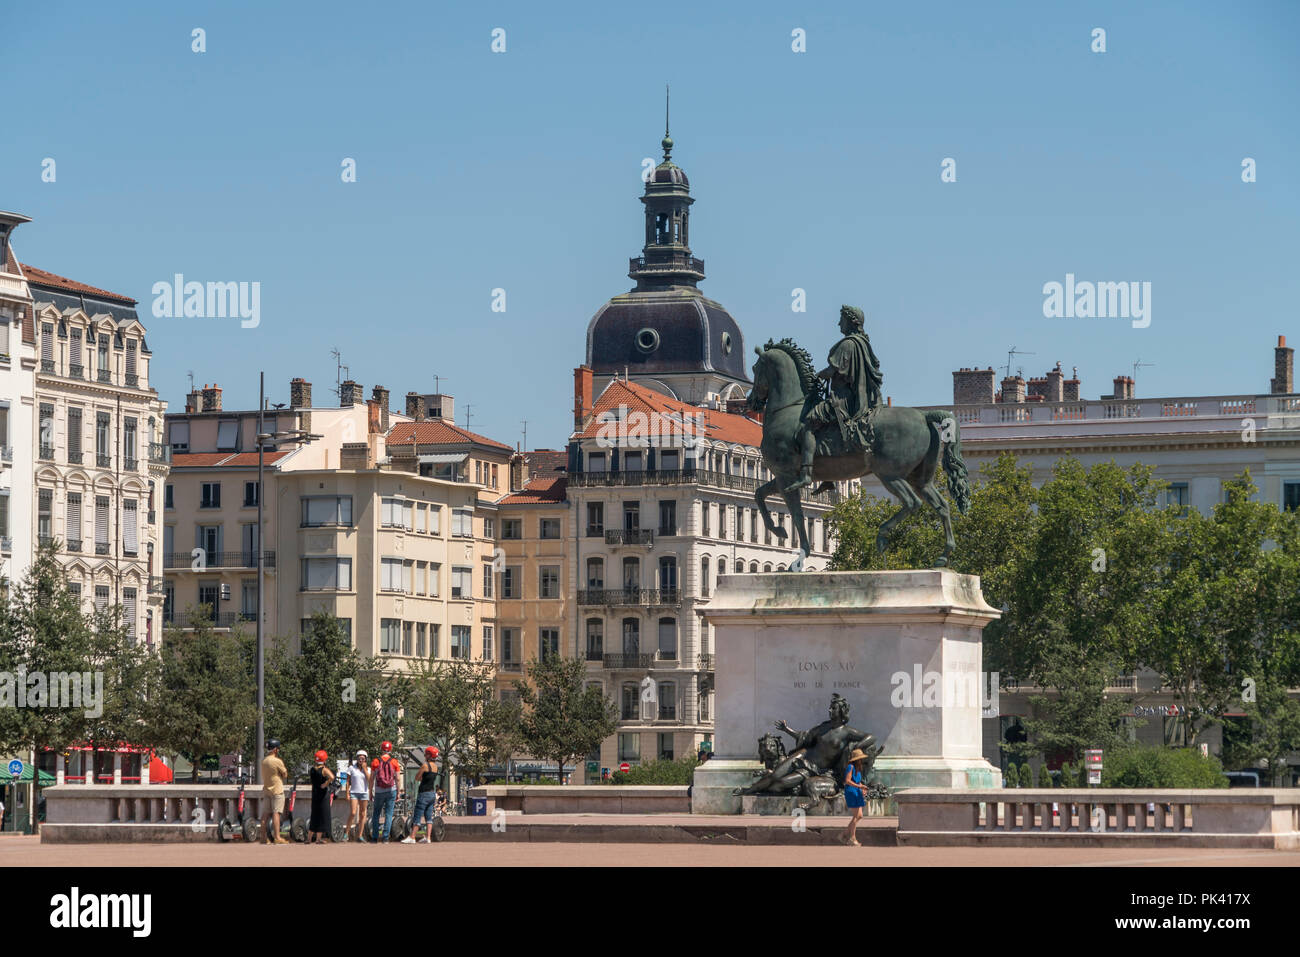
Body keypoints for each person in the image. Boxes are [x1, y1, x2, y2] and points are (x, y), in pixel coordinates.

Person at [787, 304, 883, 492]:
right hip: (857, 397)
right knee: (827, 428)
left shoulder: (848, 344)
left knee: (809, 423)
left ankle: (806, 473)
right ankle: (828, 476)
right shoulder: (863, 343)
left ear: (850, 321)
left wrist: (817, 376)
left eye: (842, 319)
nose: (839, 323)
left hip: (843, 399)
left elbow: (833, 370)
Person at [403, 746, 440, 844]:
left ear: (429, 755)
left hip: (424, 793)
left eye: (426, 754)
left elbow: (417, 777)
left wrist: (421, 777)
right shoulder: (436, 767)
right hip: (432, 793)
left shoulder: (425, 765)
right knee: (429, 817)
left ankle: (412, 836)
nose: (424, 755)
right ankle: (428, 837)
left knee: (418, 815)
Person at [369, 740, 402, 843]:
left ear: (381, 749)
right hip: (391, 790)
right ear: (390, 750)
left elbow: (371, 778)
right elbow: (398, 778)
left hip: (379, 791)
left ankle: (374, 837)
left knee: (376, 814)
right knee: (388, 814)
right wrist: (398, 792)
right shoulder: (394, 762)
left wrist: (370, 791)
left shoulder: (375, 761)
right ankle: (385, 838)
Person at [260, 739, 289, 845]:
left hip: (267, 789)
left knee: (265, 814)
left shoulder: (264, 761)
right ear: (276, 749)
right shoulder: (277, 761)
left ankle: (263, 837)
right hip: (277, 790)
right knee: (276, 813)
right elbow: (285, 774)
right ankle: (277, 837)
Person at [841, 748, 869, 846]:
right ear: (856, 759)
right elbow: (847, 781)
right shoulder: (850, 767)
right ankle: (852, 838)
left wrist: (862, 788)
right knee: (856, 816)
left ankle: (844, 834)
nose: (861, 760)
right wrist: (859, 786)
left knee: (859, 816)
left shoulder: (858, 769)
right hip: (851, 791)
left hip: (857, 791)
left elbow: (857, 781)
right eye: (860, 758)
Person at [308, 750, 335, 844]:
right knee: (323, 816)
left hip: (315, 794)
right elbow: (332, 777)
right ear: (324, 760)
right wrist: (326, 783)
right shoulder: (324, 769)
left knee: (314, 815)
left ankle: (309, 839)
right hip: (323, 795)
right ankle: (318, 839)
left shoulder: (312, 769)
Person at [343, 750, 370, 842]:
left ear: (366, 759)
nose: (361, 760)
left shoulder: (368, 769)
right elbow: (347, 781)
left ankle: (360, 835)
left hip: (364, 793)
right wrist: (347, 793)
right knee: (353, 812)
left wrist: (365, 769)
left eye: (363, 758)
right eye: (359, 758)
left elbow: (370, 780)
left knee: (362, 814)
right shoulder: (351, 768)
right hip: (354, 792)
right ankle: (346, 833)